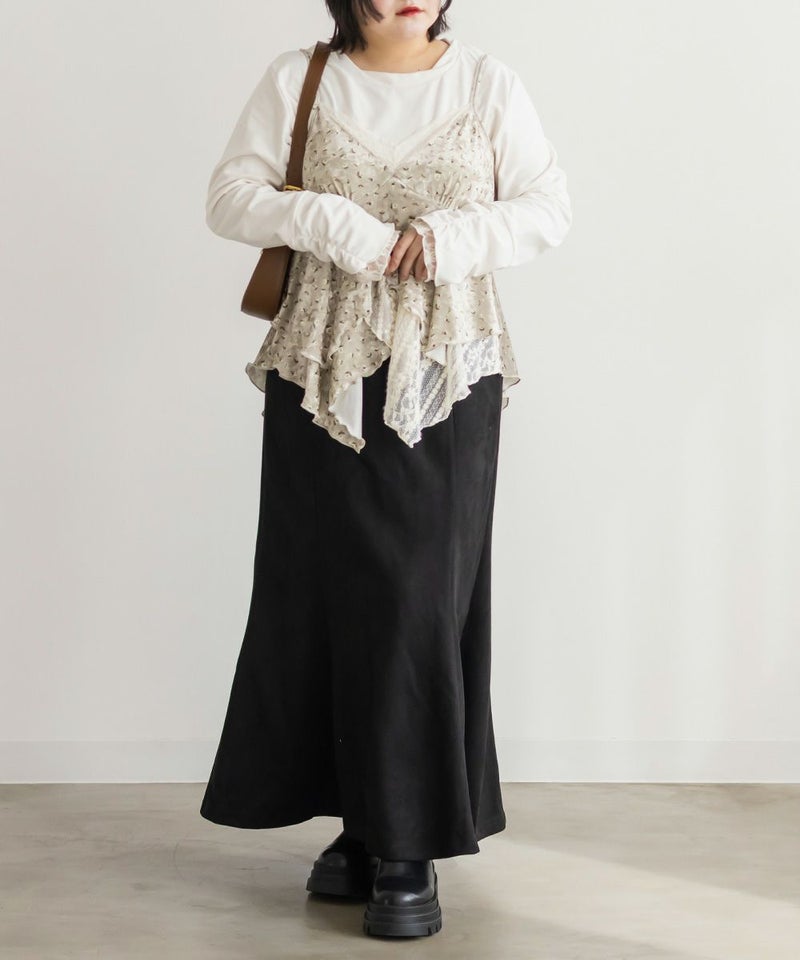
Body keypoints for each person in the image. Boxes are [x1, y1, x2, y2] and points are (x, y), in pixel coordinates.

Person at [199, 0, 572, 939]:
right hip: (318, 366)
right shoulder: (301, 77)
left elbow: (547, 209)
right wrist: (323, 217)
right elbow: (229, 197)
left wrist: (449, 238)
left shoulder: (486, 83)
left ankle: (408, 840)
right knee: (324, 595)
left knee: (418, 596)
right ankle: (362, 826)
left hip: (445, 369)